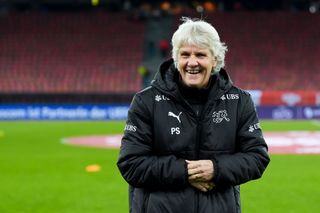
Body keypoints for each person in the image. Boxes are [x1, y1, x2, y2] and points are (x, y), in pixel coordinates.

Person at [117, 17, 270, 213]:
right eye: (185, 54)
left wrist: (215, 169)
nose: (192, 62)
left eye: (200, 55)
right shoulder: (146, 101)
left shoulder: (240, 101)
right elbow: (131, 164)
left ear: (215, 59)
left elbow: (257, 157)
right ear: (176, 57)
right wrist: (186, 172)